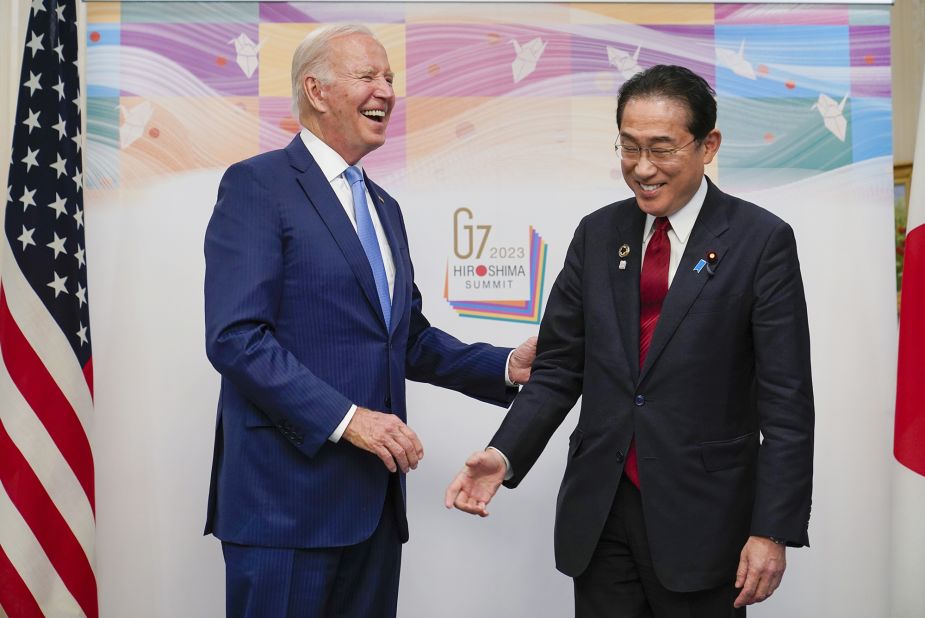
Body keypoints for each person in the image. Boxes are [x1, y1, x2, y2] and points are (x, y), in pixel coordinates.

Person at [445, 64, 814, 617]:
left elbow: (786, 403)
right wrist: (504, 452)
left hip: (706, 521)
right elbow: (559, 367)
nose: (642, 168)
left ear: (707, 145)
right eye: (629, 147)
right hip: (602, 512)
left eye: (662, 149)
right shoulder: (598, 234)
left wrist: (773, 529)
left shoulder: (761, 241)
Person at [204, 24, 536, 618]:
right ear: (316, 89)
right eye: (368, 76)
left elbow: (405, 338)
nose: (386, 90)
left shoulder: (384, 207)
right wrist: (347, 419)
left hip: (375, 511)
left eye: (390, 78)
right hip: (284, 510)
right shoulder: (257, 185)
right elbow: (236, 339)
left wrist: (506, 366)